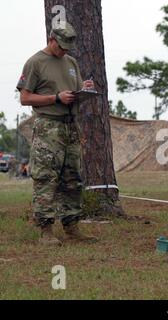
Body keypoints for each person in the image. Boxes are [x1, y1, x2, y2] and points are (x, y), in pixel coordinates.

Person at [17, 22, 97, 246]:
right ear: (51, 39)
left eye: (68, 47)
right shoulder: (35, 62)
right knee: (46, 178)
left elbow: (75, 89)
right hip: (48, 127)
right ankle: (45, 230)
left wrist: (85, 88)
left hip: (71, 126)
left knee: (73, 178)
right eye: (61, 46)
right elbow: (25, 98)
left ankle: (72, 227)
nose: (64, 51)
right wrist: (55, 98)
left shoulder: (71, 62)